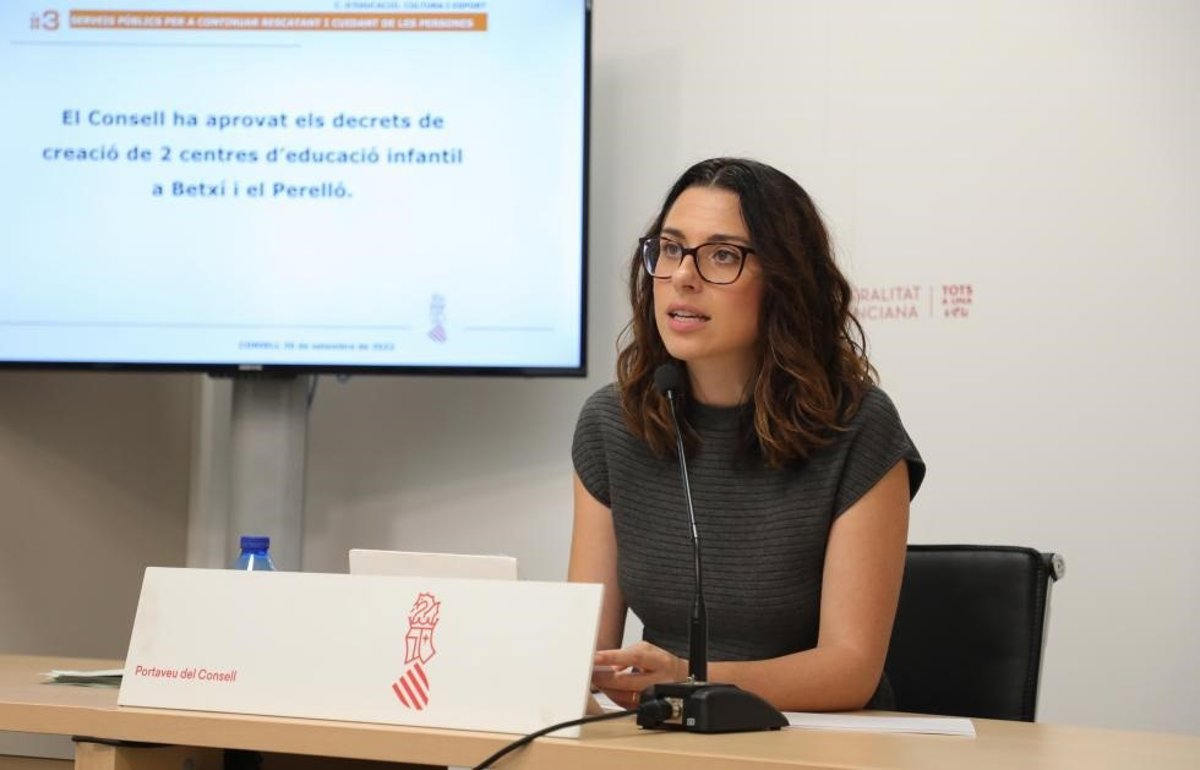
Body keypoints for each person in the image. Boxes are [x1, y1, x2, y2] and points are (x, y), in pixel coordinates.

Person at [569, 157, 925, 712]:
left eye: (722, 256)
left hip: (816, 741)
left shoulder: (857, 425)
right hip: (666, 737)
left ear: (784, 281)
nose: (683, 276)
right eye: (670, 249)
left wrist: (688, 678)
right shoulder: (614, 422)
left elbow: (850, 670)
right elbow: (583, 651)